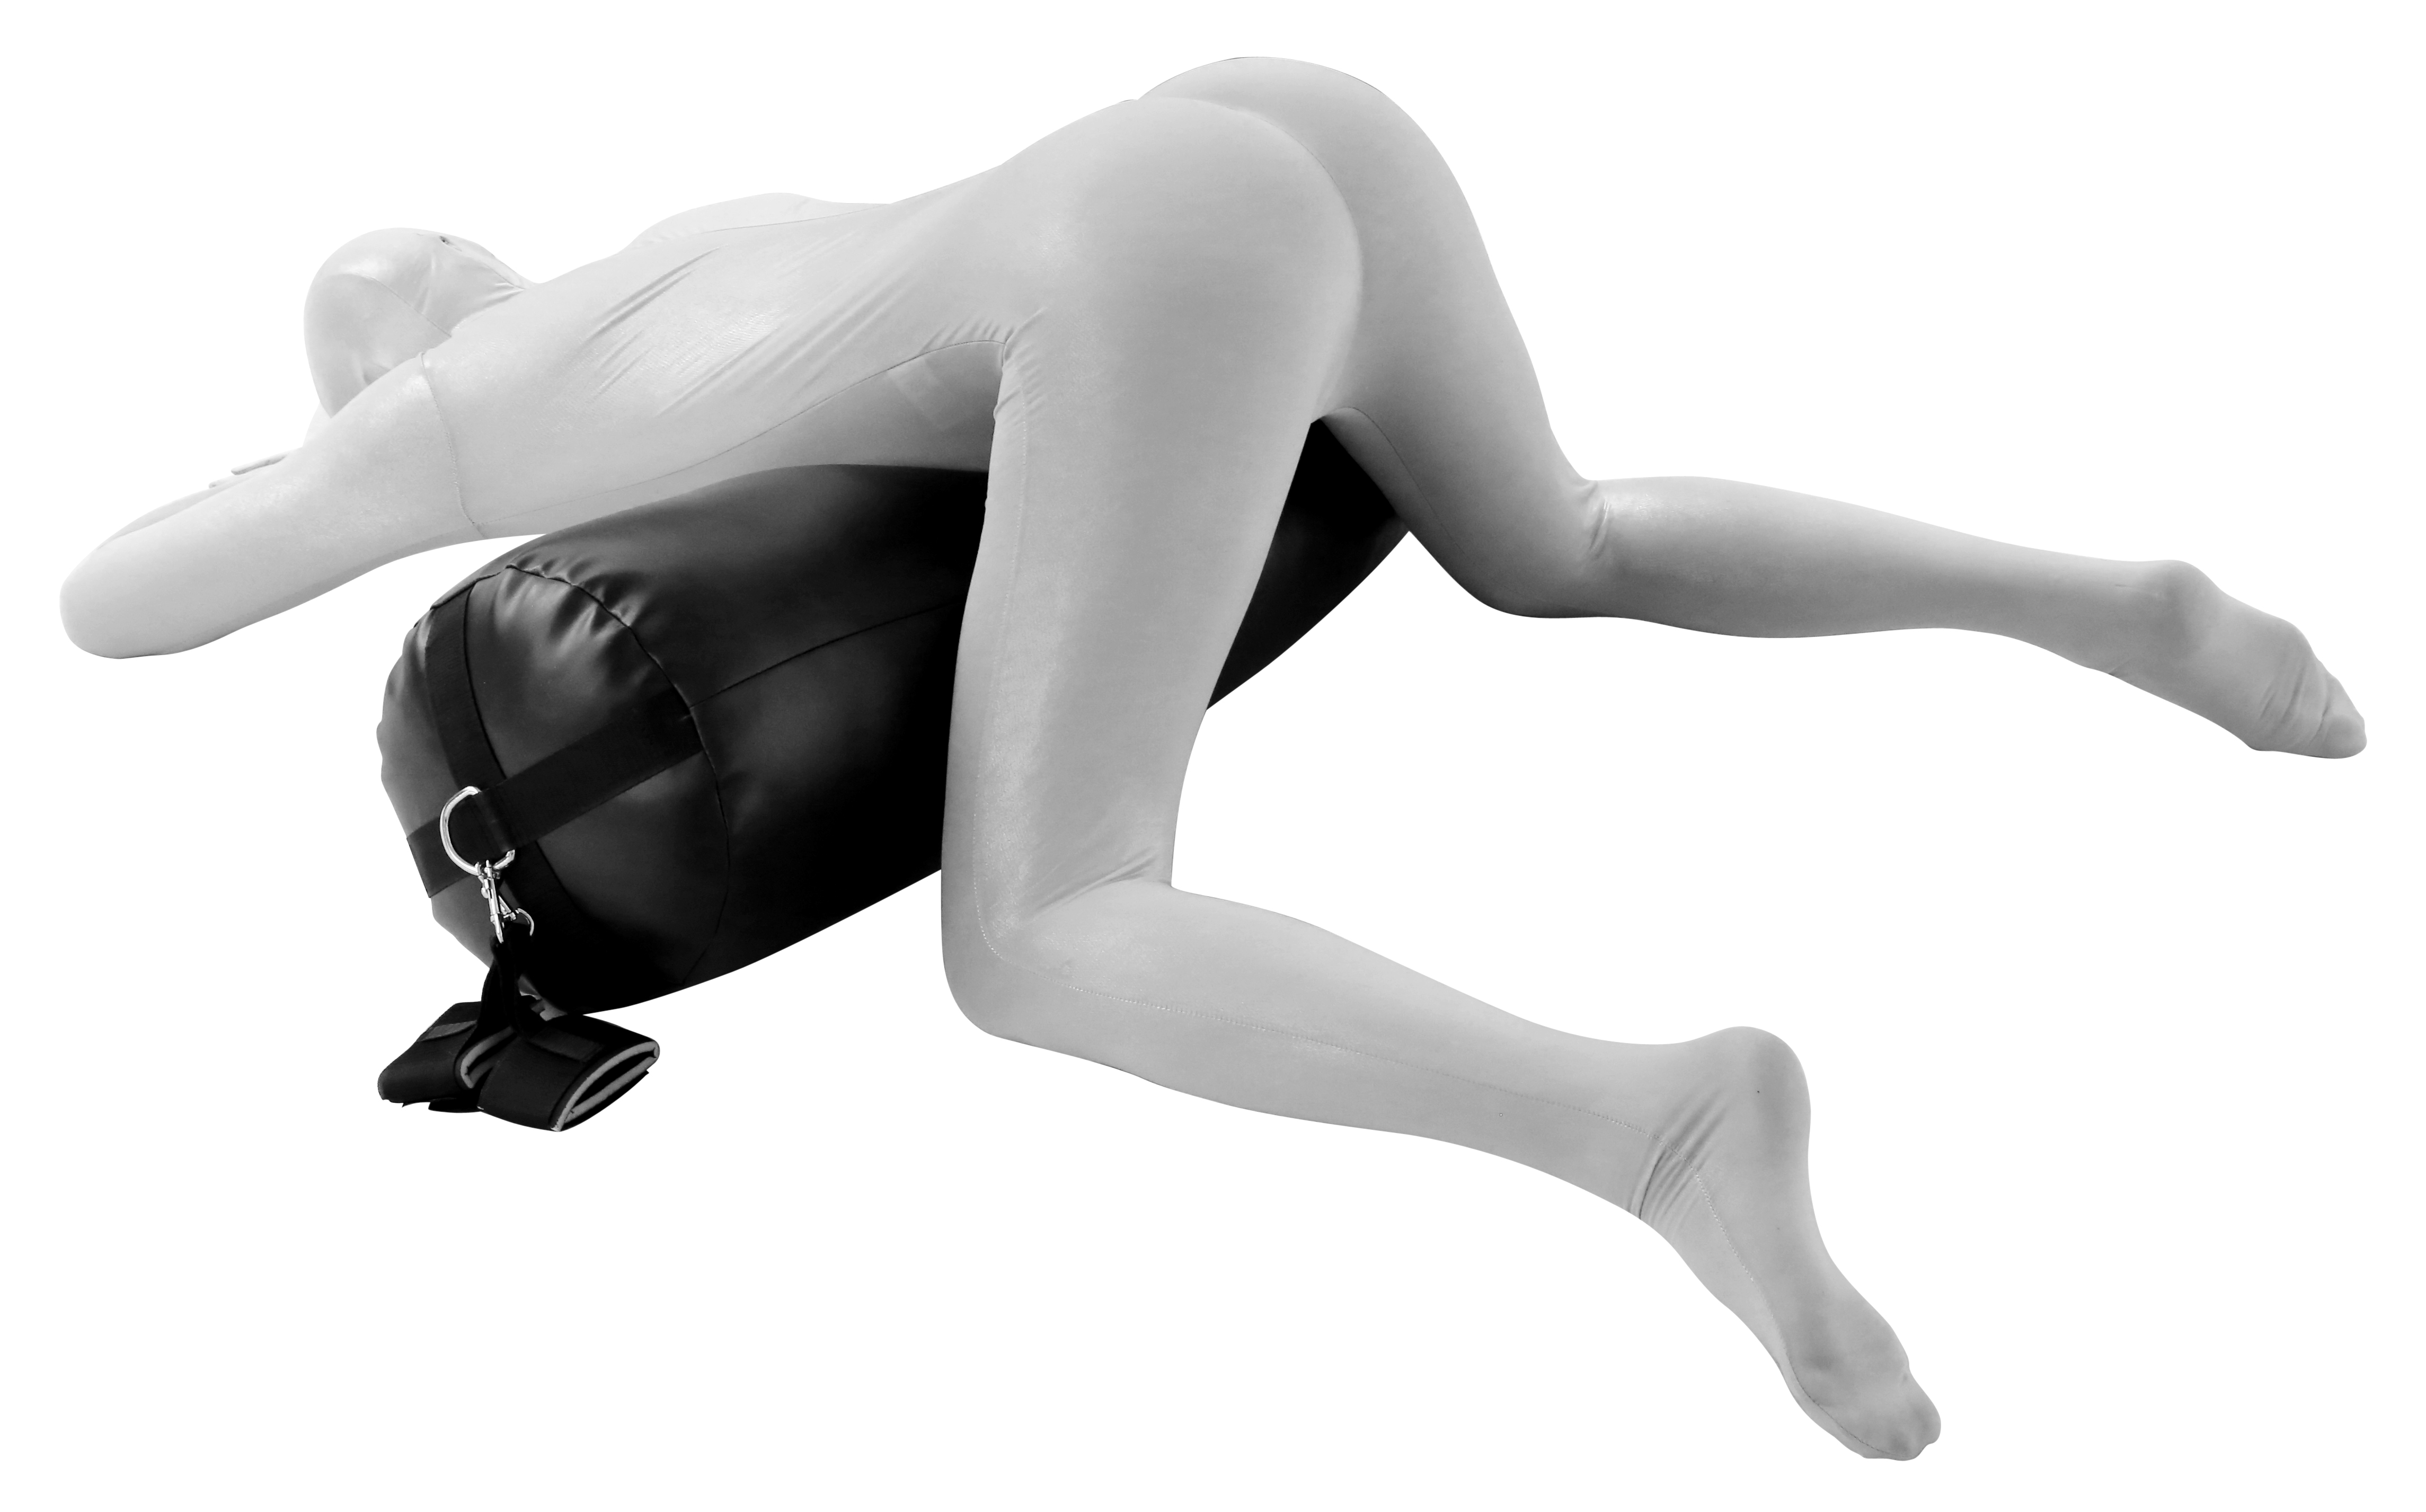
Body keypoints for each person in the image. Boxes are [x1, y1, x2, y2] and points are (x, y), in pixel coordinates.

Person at [57, 58, 2366, 1460]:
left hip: (1140, 255)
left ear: (373, 367)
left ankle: (1658, 1126)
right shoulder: (713, 242)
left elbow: (111, 602)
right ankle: (2119, 604)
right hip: (1268, 123)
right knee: (1553, 543)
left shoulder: (449, 411)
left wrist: (328, 465)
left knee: (1046, 931)